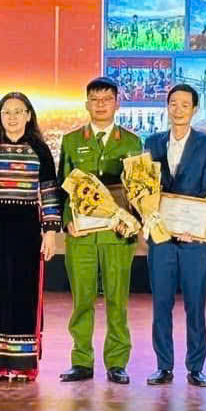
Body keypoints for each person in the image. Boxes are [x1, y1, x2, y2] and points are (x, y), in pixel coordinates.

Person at [0, 92, 60, 381]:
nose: (13, 117)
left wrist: (50, 231)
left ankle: (23, 364)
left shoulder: (40, 150)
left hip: (27, 231)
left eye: (19, 111)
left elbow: (49, 191)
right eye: (7, 112)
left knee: (24, 293)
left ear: (29, 115)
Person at [58, 77, 143, 385]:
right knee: (82, 300)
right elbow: (62, 185)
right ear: (86, 104)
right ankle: (81, 361)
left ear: (117, 103)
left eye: (107, 99)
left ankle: (117, 362)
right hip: (82, 235)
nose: (101, 105)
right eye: (95, 100)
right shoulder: (71, 141)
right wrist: (66, 220)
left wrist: (133, 221)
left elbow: (140, 189)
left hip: (116, 235)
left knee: (117, 301)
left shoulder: (131, 142)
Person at [142, 85, 206, 387]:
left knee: (195, 305)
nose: (178, 109)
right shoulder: (152, 142)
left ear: (194, 110)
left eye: (185, 105)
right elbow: (145, 186)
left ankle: (196, 367)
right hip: (161, 238)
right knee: (161, 304)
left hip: (194, 239)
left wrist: (194, 224)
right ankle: (163, 366)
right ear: (167, 107)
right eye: (173, 103)